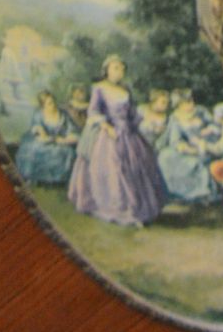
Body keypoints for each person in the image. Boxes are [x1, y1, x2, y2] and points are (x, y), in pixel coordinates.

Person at [68, 55, 165, 225]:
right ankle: (121, 209)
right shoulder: (99, 88)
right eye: (115, 68)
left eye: (122, 68)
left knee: (137, 166)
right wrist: (107, 127)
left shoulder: (125, 90)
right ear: (106, 70)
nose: (119, 72)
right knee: (115, 168)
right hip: (109, 134)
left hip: (128, 133)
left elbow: (132, 114)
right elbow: (93, 112)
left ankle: (137, 209)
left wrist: (142, 120)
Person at [158, 89, 221, 204]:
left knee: (197, 161)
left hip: (208, 145)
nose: (191, 105)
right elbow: (175, 140)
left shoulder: (201, 111)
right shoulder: (176, 118)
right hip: (190, 147)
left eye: (191, 101)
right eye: (186, 103)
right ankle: (182, 192)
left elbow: (216, 125)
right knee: (166, 156)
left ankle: (203, 191)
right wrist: (187, 148)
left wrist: (210, 129)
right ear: (179, 106)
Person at [14, 90, 77, 186]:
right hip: (44, 141)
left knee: (67, 152)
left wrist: (65, 139)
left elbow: (71, 130)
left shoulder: (63, 114)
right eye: (50, 103)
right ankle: (34, 178)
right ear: (43, 105)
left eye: (54, 101)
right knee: (34, 149)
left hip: (60, 141)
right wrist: (43, 135)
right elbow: (38, 132)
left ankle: (59, 180)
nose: (54, 104)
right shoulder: (39, 114)